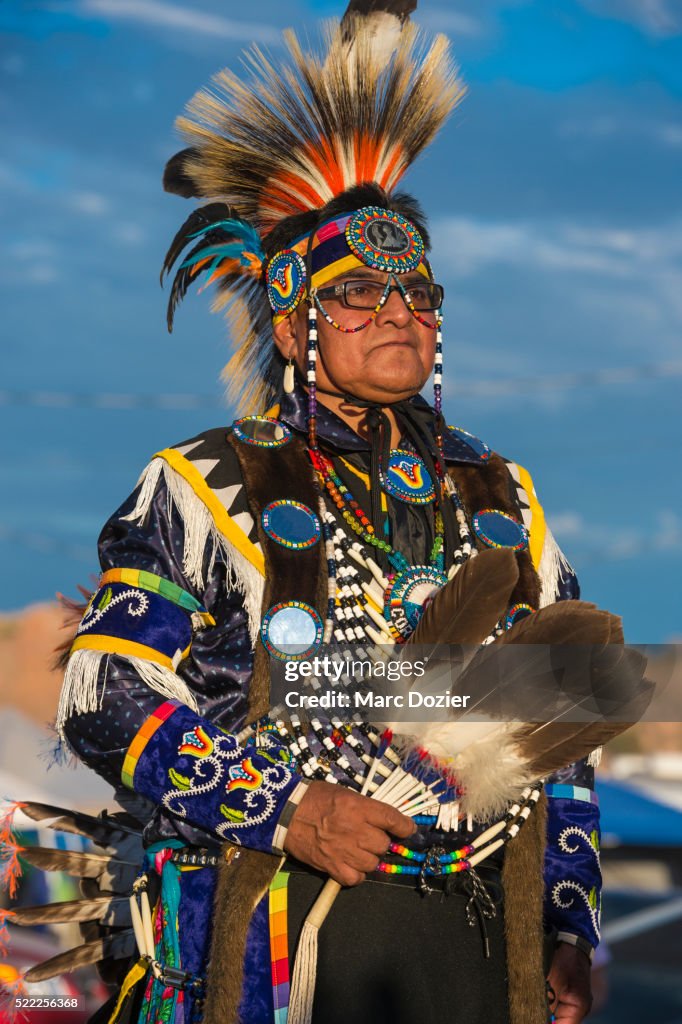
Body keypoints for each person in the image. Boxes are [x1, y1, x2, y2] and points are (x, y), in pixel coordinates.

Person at [7, 6, 606, 1024]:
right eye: (362, 292)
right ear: (293, 321)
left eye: (419, 294)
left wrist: (568, 921)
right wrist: (293, 809)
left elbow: (565, 726)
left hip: (477, 935)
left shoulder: (503, 499)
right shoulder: (203, 483)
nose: (399, 313)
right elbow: (105, 689)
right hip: (279, 930)